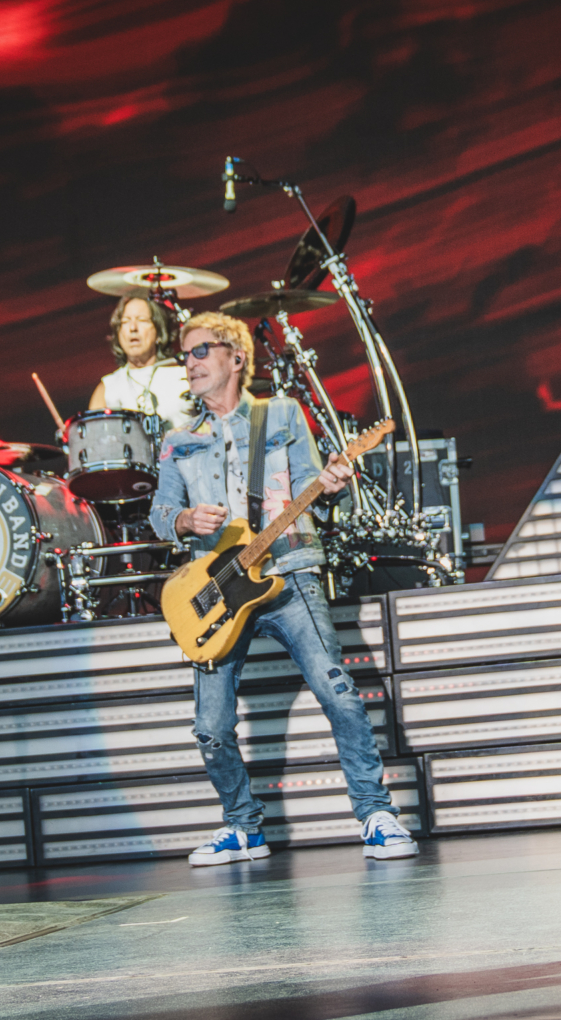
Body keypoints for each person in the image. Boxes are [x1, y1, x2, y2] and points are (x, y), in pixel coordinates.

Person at [148, 310, 418, 864]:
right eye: (186, 355)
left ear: (236, 356)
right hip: (218, 590)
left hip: (289, 568)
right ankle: (243, 827)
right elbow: (159, 513)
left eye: (201, 351)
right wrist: (183, 522)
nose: (190, 363)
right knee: (210, 726)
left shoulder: (283, 413)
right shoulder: (179, 440)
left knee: (337, 690)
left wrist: (334, 485)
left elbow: (319, 488)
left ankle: (375, 814)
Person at [89, 293, 195, 433]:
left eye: (142, 320)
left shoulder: (185, 375)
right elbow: (93, 442)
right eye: (125, 321)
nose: (133, 328)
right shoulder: (107, 388)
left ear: (158, 332)